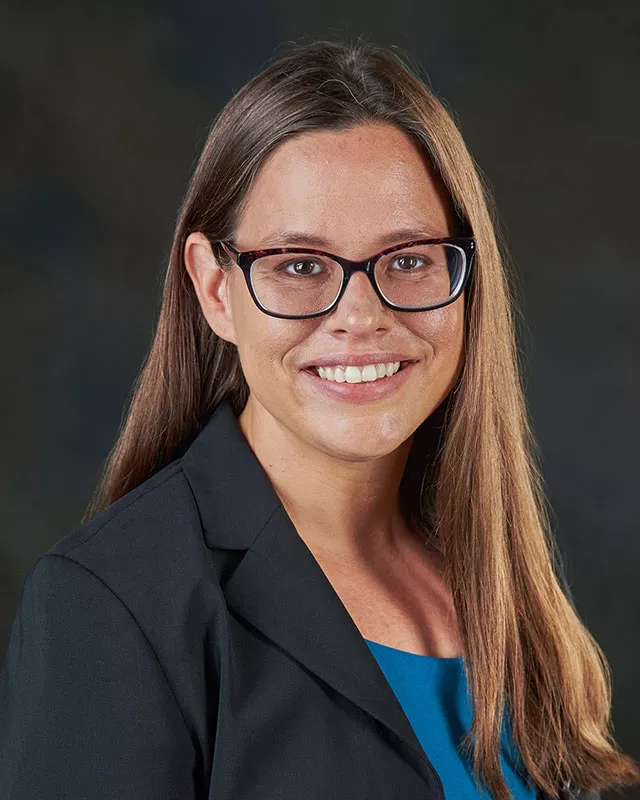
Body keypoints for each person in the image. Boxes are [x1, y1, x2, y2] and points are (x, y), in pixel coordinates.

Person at [0, 39, 637, 800]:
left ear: (466, 279)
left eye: (408, 260)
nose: (359, 317)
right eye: (301, 265)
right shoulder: (111, 605)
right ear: (214, 289)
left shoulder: (497, 574)